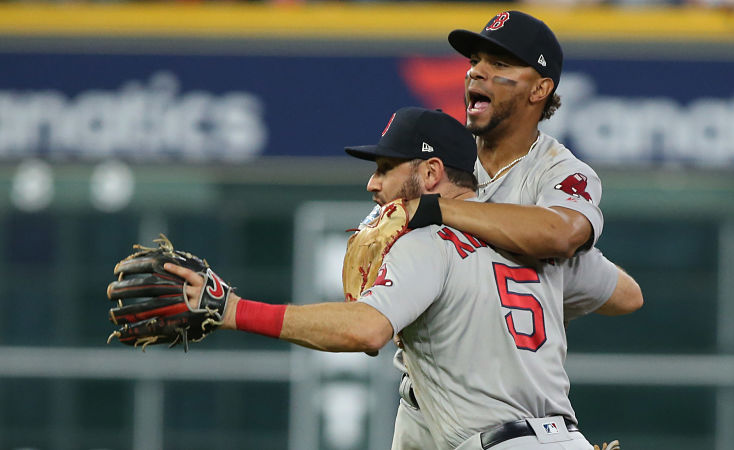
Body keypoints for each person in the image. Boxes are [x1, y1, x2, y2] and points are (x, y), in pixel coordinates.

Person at [166, 107, 635, 449]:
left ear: (431, 173)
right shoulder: (533, 241)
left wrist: (233, 310)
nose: (373, 183)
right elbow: (628, 296)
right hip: (563, 438)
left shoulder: (425, 242)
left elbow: (366, 330)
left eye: (386, 168)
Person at [389, 11, 643, 449]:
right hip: (420, 405)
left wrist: (442, 211)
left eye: (500, 64)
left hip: (501, 418)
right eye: (476, 61)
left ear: (540, 89)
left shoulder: (556, 172)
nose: (477, 72)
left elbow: (584, 257)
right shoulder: (444, 157)